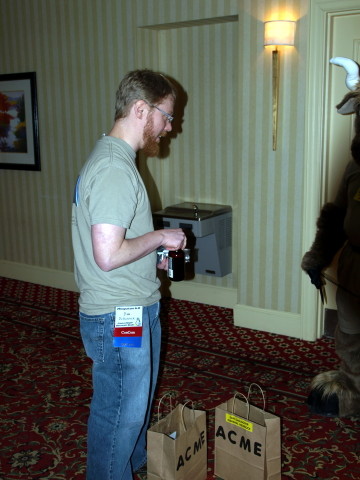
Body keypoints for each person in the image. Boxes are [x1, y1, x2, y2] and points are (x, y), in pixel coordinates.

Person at [71, 69, 186, 480]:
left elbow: (116, 246)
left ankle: (132, 468)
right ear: (142, 109)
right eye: (167, 116)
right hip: (120, 313)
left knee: (133, 404)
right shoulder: (115, 169)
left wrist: (150, 258)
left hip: (131, 308)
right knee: (119, 410)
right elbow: (106, 255)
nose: (170, 127)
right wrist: (160, 236)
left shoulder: (117, 161)